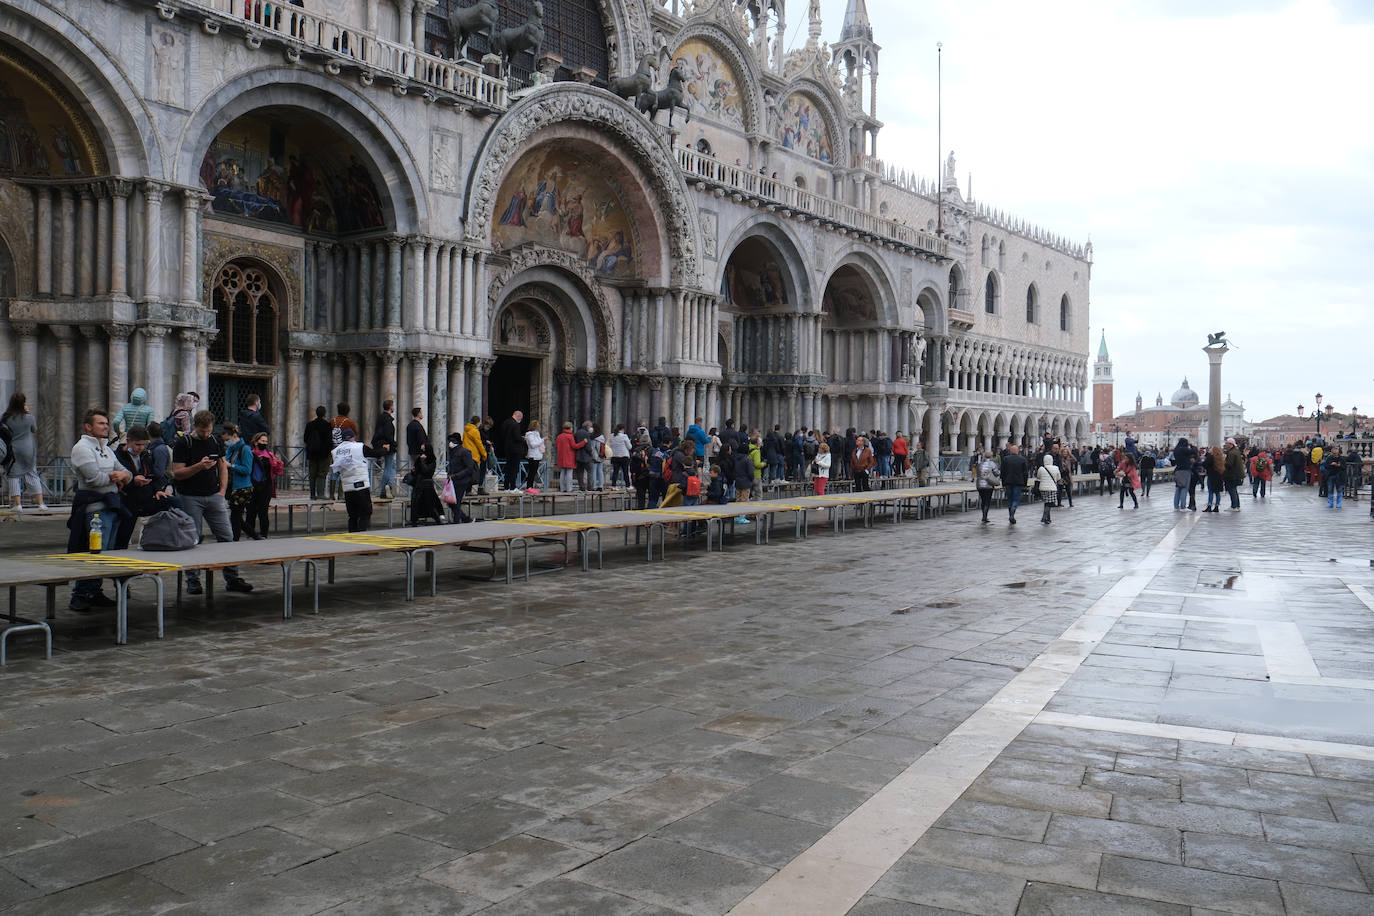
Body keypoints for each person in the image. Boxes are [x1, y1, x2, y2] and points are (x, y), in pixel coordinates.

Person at [172, 410, 254, 596]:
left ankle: (232, 578)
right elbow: (177, 472)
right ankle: (193, 580)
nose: (205, 434)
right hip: (190, 496)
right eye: (202, 431)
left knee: (227, 536)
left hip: (214, 496)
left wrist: (222, 491)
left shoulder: (216, 441)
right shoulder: (184, 443)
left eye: (208, 430)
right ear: (195, 427)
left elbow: (222, 465)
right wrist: (199, 466)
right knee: (193, 538)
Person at [67, 408, 133, 611]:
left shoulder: (106, 448)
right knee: (94, 552)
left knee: (107, 553)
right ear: (89, 427)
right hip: (95, 508)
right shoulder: (82, 448)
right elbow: (94, 479)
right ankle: (80, 594)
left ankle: (94, 591)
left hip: (112, 505)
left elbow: (127, 473)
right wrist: (117, 477)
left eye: (106, 423)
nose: (106, 426)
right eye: (101, 423)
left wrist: (121, 476)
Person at [112, 426, 170, 549]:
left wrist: (158, 490)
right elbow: (117, 480)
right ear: (128, 441)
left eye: (144, 444)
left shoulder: (145, 455)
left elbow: (154, 475)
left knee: (173, 501)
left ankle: (183, 533)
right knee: (122, 539)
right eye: (138, 444)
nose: (141, 448)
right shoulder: (118, 456)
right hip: (127, 500)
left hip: (145, 497)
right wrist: (133, 481)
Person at [330, 427, 386, 532]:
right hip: (361, 485)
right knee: (366, 511)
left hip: (347, 488)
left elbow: (337, 470)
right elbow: (375, 453)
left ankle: (352, 535)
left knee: (352, 515)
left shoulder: (336, 451)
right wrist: (385, 449)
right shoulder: (359, 447)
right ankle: (362, 533)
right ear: (353, 437)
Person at [3, 392, 47, 510]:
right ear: (23, 403)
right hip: (28, 449)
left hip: (13, 449)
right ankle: (41, 503)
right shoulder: (29, 418)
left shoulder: (6, 418)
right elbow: (34, 430)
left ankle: (17, 505)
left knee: (13, 475)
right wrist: (28, 413)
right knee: (32, 474)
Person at [222, 423, 256, 540]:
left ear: (234, 436)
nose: (226, 442)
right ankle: (255, 536)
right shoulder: (230, 450)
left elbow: (247, 469)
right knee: (236, 517)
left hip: (242, 488)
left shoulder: (245, 449)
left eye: (227, 439)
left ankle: (236, 539)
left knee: (236, 517)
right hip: (232, 487)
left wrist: (231, 466)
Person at [248, 431, 282, 539]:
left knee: (263, 512)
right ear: (256, 442)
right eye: (262, 441)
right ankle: (250, 533)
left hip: (266, 486)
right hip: (252, 486)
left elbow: (277, 471)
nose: (264, 443)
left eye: (266, 441)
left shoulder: (270, 455)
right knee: (251, 511)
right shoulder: (250, 453)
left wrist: (279, 463)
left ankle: (264, 534)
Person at [445, 433, 480, 523]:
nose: (450, 443)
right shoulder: (452, 452)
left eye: (452, 441)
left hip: (462, 481)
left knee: (456, 502)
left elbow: (469, 467)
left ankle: (457, 521)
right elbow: (452, 465)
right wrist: (449, 474)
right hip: (453, 481)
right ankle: (465, 519)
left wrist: (457, 475)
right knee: (451, 502)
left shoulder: (464, 452)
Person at [408, 442, 446, 525]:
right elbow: (416, 471)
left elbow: (426, 471)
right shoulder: (419, 459)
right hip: (418, 485)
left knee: (430, 503)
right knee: (416, 503)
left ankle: (437, 519)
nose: (422, 453)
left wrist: (422, 461)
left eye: (424, 450)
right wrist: (413, 470)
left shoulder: (431, 460)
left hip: (427, 485)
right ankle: (414, 520)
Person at [329, 403, 358, 500]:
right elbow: (355, 436)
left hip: (333, 449)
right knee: (343, 471)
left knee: (334, 470)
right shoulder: (350, 422)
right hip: (345, 449)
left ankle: (331, 494)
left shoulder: (332, 421)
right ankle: (341, 495)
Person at [304, 405, 334, 500]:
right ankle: (320, 494)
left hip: (312, 453)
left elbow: (305, 438)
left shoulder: (310, 424)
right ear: (325, 414)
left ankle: (312, 494)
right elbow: (329, 441)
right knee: (322, 473)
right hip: (324, 454)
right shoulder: (327, 425)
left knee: (312, 473)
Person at [372, 400, 398, 498]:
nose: (394, 407)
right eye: (393, 405)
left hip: (383, 445)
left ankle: (388, 487)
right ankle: (385, 489)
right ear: (390, 407)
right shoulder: (387, 420)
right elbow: (388, 435)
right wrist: (394, 444)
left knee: (392, 467)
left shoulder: (381, 418)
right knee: (388, 467)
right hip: (387, 446)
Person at [1000, 443, 1029, 525]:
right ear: (1017, 451)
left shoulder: (1006, 459)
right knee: (1016, 498)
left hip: (1008, 482)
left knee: (1009, 498)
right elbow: (1025, 473)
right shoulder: (1022, 459)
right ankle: (1013, 510)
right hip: (1018, 482)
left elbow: (1002, 472)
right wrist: (1025, 483)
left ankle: (1011, 514)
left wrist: (1003, 483)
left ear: (1010, 451)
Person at [499, 409, 526, 491]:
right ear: (518, 416)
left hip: (507, 448)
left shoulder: (505, 422)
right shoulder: (515, 425)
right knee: (514, 469)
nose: (520, 420)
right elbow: (517, 437)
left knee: (508, 468)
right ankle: (513, 487)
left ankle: (506, 486)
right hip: (515, 449)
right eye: (520, 418)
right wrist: (523, 438)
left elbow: (503, 435)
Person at [462, 415, 488, 491]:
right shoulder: (474, 431)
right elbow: (479, 443)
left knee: (468, 473)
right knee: (473, 473)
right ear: (478, 422)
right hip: (473, 454)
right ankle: (476, 489)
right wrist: (484, 454)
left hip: (466, 452)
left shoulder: (466, 429)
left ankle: (468, 490)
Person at [975, 450, 1000, 523]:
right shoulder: (992, 464)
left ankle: (984, 514)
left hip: (979, 485)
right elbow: (997, 473)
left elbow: (978, 473)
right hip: (989, 484)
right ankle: (984, 516)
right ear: (991, 456)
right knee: (987, 501)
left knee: (983, 500)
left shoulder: (980, 464)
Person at [1036, 453, 1061, 525]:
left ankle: (1048, 518)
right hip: (1052, 488)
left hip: (1042, 488)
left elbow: (1038, 477)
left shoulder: (1041, 468)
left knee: (1046, 502)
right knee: (1049, 503)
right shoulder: (1056, 468)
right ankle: (1044, 517)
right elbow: (1058, 478)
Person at [555, 422, 580, 492]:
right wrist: (583, 443)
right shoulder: (570, 436)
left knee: (562, 472)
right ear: (570, 428)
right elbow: (574, 446)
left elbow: (556, 446)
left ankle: (563, 488)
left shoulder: (559, 436)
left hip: (561, 456)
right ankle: (569, 488)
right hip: (569, 456)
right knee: (569, 473)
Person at [1222, 438, 1245, 511]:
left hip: (1232, 475)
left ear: (1231, 444)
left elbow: (1229, 464)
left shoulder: (1231, 453)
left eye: (1227, 443)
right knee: (1234, 490)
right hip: (1236, 474)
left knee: (1232, 490)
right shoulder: (1236, 451)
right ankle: (1236, 506)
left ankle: (1234, 506)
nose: (1225, 445)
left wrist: (1224, 461)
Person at [523, 420, 546, 492]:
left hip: (538, 455)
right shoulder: (529, 434)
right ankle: (529, 487)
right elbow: (533, 445)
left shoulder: (537, 433)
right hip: (533, 455)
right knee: (531, 472)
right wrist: (543, 440)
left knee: (534, 472)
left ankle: (531, 486)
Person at [608, 423, 632, 489]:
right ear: (623, 429)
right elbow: (629, 447)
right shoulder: (624, 436)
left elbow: (609, 444)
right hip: (624, 456)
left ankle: (613, 485)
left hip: (615, 456)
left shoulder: (611, 435)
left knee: (615, 471)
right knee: (625, 472)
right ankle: (628, 485)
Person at [1172, 438, 1192, 511]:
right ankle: (1183, 506)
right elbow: (1194, 451)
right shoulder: (1184, 449)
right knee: (1184, 487)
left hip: (1178, 470)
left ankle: (1176, 506)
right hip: (1185, 470)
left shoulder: (1176, 450)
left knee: (1178, 488)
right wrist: (1190, 444)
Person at [573, 421, 595, 490]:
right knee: (590, 471)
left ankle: (581, 487)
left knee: (580, 472)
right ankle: (590, 487)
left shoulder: (577, 433)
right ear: (587, 426)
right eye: (590, 426)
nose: (591, 428)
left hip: (578, 456)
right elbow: (588, 446)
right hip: (586, 457)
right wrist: (591, 453)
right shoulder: (586, 434)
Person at [1203, 445, 1225, 512]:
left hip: (1211, 476)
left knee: (1211, 491)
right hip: (1219, 476)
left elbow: (1205, 464)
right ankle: (1217, 506)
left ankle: (1209, 505)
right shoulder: (1221, 458)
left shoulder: (1210, 457)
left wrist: (1207, 455)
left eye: (1211, 449)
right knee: (1217, 492)